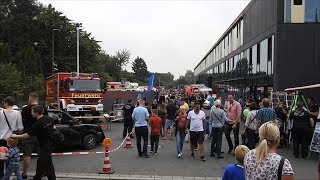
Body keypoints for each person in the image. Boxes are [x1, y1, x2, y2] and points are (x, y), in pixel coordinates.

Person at [11, 105, 56, 180]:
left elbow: (26, 136)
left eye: (32, 112)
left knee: (48, 166)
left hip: (43, 146)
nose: (31, 113)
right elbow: (54, 128)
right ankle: (37, 177)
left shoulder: (37, 124)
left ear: (36, 113)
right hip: (50, 144)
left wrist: (15, 136)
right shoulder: (49, 119)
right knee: (41, 163)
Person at [21, 92, 47, 179]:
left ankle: (24, 174)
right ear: (37, 99)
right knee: (41, 155)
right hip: (41, 135)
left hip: (28, 134)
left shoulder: (25, 109)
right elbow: (46, 120)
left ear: (30, 99)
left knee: (27, 155)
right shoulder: (43, 109)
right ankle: (41, 173)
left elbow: (22, 122)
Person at [0, 96, 23, 179]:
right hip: (12, 139)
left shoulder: (0, 112)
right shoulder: (17, 113)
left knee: (1, 158)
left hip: (1, 138)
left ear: (6, 103)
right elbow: (20, 127)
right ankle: (8, 176)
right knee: (11, 158)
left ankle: (1, 176)